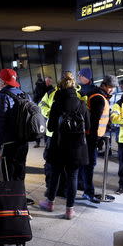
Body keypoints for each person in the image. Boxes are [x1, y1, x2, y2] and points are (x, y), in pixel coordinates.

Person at [39, 72, 90, 219]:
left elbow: (51, 128)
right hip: (76, 147)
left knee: (55, 174)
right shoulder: (81, 104)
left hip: (58, 145)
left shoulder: (57, 103)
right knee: (73, 177)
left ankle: (50, 203)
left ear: (60, 87)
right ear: (75, 87)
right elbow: (88, 125)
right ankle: (69, 210)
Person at [0, 69, 34, 205]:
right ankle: (21, 206)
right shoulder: (25, 95)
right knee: (19, 175)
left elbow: (0, 125)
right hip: (23, 143)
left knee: (6, 177)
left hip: (7, 144)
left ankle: (10, 208)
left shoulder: (2, 96)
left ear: (2, 81)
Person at [82, 74, 118, 204]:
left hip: (92, 135)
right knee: (90, 164)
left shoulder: (98, 95)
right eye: (111, 87)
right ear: (105, 85)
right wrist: (96, 139)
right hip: (92, 136)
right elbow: (95, 120)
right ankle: (88, 192)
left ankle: (85, 188)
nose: (112, 90)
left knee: (87, 164)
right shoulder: (98, 98)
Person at [34, 76, 54, 148]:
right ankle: (37, 142)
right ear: (45, 81)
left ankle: (46, 142)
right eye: (48, 81)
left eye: (50, 81)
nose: (49, 83)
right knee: (39, 125)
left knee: (46, 125)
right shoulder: (39, 87)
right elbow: (36, 96)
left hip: (46, 110)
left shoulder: (51, 88)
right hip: (39, 107)